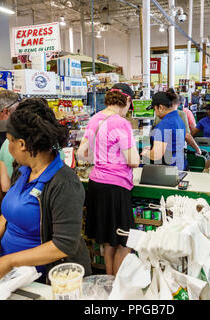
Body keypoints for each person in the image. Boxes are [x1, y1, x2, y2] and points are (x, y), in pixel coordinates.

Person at [0, 98, 91, 295]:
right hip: (9, 274)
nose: (7, 145)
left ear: (22, 144)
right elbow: (9, 211)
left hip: (39, 281)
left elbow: (64, 245)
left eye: (9, 140)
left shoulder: (64, 183)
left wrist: (10, 260)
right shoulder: (22, 170)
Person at [78, 83, 140, 276]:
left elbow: (82, 153)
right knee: (124, 240)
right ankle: (118, 289)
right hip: (116, 187)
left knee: (108, 241)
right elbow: (134, 161)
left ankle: (109, 285)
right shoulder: (121, 123)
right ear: (128, 100)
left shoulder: (95, 118)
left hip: (96, 183)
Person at [141, 91, 187, 171]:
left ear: (160, 107)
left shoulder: (166, 123)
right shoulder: (177, 119)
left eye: (155, 109)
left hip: (167, 170)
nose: (155, 112)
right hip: (179, 165)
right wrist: (153, 147)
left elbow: (156, 155)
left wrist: (145, 153)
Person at [154, 89, 201, 155]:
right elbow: (187, 135)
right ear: (178, 104)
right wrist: (197, 149)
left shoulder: (160, 115)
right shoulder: (180, 115)